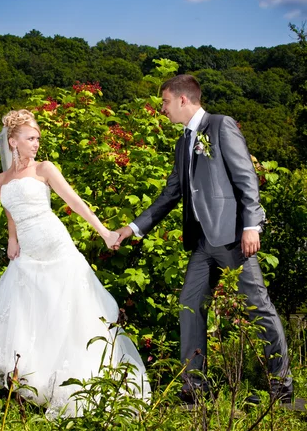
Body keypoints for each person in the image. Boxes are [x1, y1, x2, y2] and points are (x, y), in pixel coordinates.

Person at [0, 109, 150, 417]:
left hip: (56, 247)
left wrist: (103, 232)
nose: (35, 144)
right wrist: (12, 238)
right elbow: (11, 212)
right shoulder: (0, 180)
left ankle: (83, 390)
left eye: (37, 139)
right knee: (32, 319)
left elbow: (74, 201)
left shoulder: (44, 168)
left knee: (72, 315)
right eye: (30, 138)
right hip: (28, 256)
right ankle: (43, 388)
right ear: (12, 142)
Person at [113, 74, 292, 404]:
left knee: (257, 308)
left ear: (183, 100)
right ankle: (194, 390)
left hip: (232, 238)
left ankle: (280, 389)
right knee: (190, 306)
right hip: (202, 242)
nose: (162, 109)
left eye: (165, 102)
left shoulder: (220, 126)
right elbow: (171, 194)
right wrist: (133, 228)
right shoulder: (183, 142)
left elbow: (246, 178)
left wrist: (252, 225)